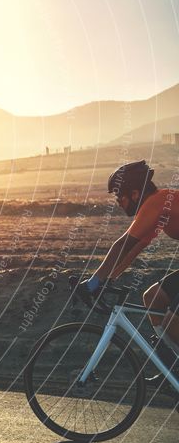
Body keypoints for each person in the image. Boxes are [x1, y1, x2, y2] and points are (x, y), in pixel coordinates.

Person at [80, 160, 178, 374]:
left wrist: (93, 283)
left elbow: (122, 244)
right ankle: (170, 368)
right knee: (152, 297)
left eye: (119, 197)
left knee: (172, 321)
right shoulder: (160, 207)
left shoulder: (157, 201)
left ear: (135, 194)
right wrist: (109, 279)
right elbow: (134, 248)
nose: (118, 203)